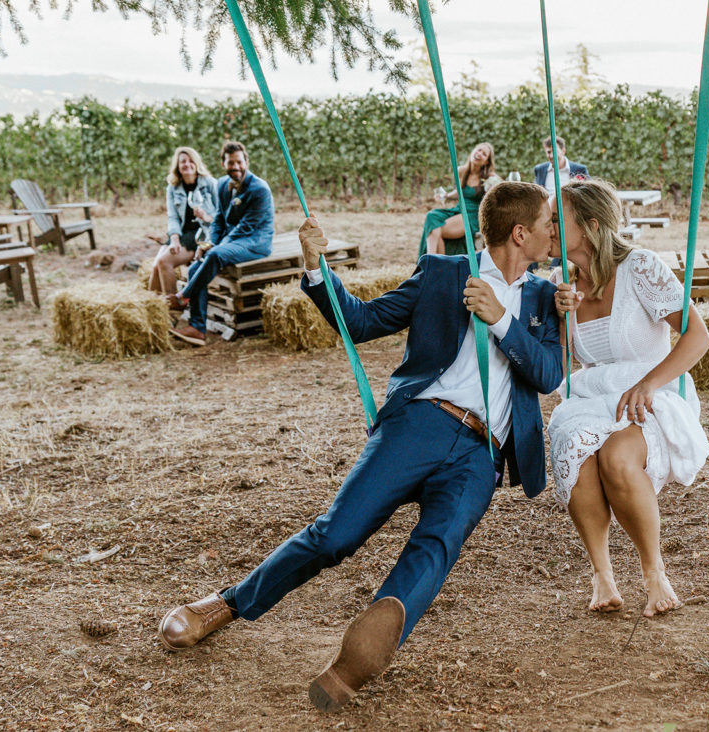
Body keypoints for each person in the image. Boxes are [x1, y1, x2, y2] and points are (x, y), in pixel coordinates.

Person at [157, 182, 563, 713]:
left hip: (480, 454)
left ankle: (360, 657)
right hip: (420, 423)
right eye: (548, 223)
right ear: (520, 232)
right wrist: (315, 268)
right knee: (335, 536)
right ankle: (227, 603)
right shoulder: (443, 274)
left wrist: (502, 319)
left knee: (438, 546)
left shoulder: (544, 297)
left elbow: (550, 374)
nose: (554, 232)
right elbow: (362, 321)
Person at [546, 179, 709, 619]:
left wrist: (649, 384)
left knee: (617, 458)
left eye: (555, 220)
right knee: (577, 451)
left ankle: (654, 572)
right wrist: (560, 317)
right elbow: (559, 366)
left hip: (650, 393)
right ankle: (602, 573)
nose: (546, 227)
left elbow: (699, 336)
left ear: (591, 227)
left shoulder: (641, 267)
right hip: (588, 396)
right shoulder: (559, 281)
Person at [166, 140, 274, 345]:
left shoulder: (259, 189)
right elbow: (218, 219)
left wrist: (215, 248)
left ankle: (183, 296)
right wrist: (209, 243)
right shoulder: (222, 184)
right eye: (231, 163)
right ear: (223, 164)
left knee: (215, 255)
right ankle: (198, 329)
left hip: (255, 241)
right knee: (194, 268)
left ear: (246, 161)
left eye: (239, 162)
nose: (236, 167)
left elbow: (246, 227)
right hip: (231, 241)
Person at [148, 147, 218, 295]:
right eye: (183, 162)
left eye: (191, 160)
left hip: (202, 234)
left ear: (197, 163)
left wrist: (206, 217)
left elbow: (223, 215)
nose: (187, 164)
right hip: (181, 233)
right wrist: (174, 239)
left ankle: (173, 309)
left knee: (164, 262)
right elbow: (172, 217)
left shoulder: (211, 183)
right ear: (177, 166)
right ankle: (151, 310)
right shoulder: (173, 188)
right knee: (155, 266)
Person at [418, 142, 496, 257]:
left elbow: (496, 197)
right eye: (479, 150)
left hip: (471, 216)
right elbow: (460, 193)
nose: (479, 154)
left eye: (484, 154)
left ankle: (432, 262)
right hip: (458, 210)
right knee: (431, 216)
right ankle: (435, 262)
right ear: (473, 151)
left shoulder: (490, 178)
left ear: (486, 162)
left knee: (435, 229)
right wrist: (446, 195)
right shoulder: (461, 171)